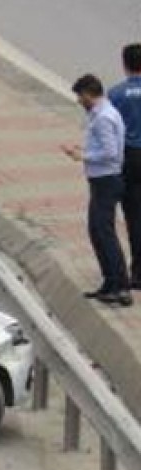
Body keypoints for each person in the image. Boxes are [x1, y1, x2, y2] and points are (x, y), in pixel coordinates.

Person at [62, 74, 131, 306]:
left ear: (89, 94)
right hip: (102, 179)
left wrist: (82, 156)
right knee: (97, 230)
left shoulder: (103, 117)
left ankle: (119, 285)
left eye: (80, 97)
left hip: (106, 180)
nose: (79, 101)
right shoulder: (101, 114)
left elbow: (111, 152)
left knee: (104, 232)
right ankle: (110, 282)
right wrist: (85, 149)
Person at [108, 43, 141, 289]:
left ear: (124, 64)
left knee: (134, 215)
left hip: (129, 159)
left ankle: (138, 272)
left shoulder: (115, 94)